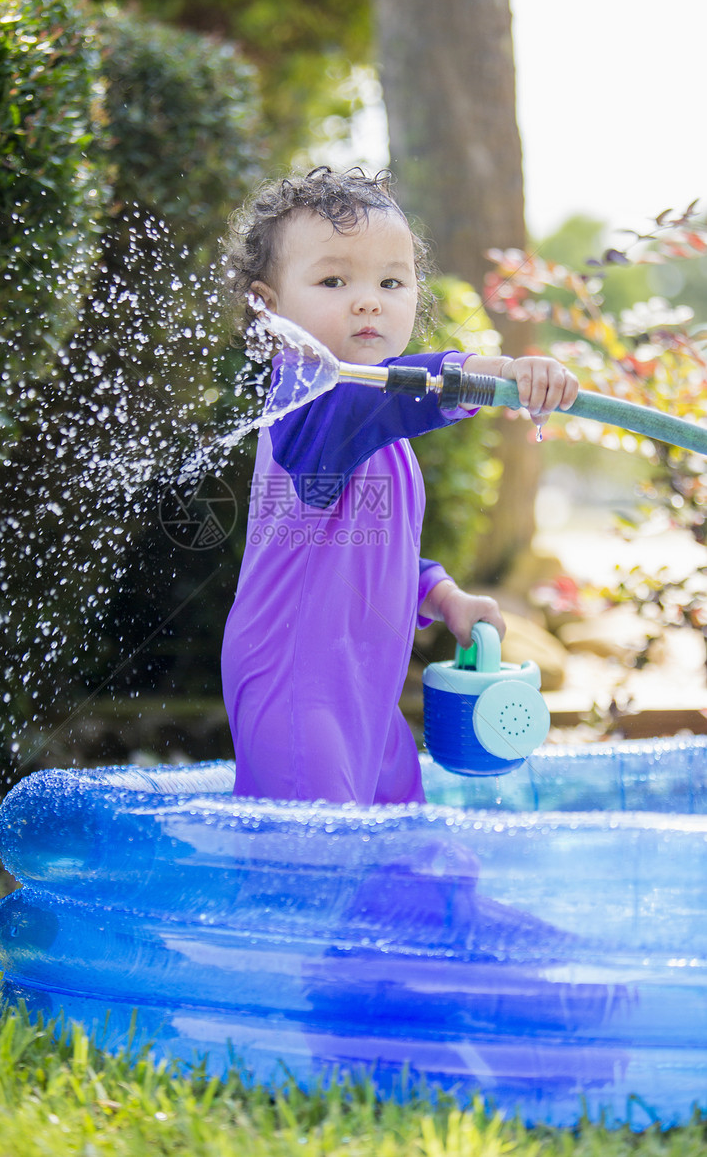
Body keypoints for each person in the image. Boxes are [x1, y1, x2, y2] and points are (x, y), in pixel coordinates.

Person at [221, 167, 578, 805]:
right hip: (295, 689)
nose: (369, 300)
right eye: (334, 280)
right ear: (267, 307)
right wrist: (496, 373)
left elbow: (367, 552)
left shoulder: (380, 430)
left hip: (368, 693)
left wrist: (442, 596)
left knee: (397, 857)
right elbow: (396, 397)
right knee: (308, 875)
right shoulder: (309, 400)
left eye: (391, 281)